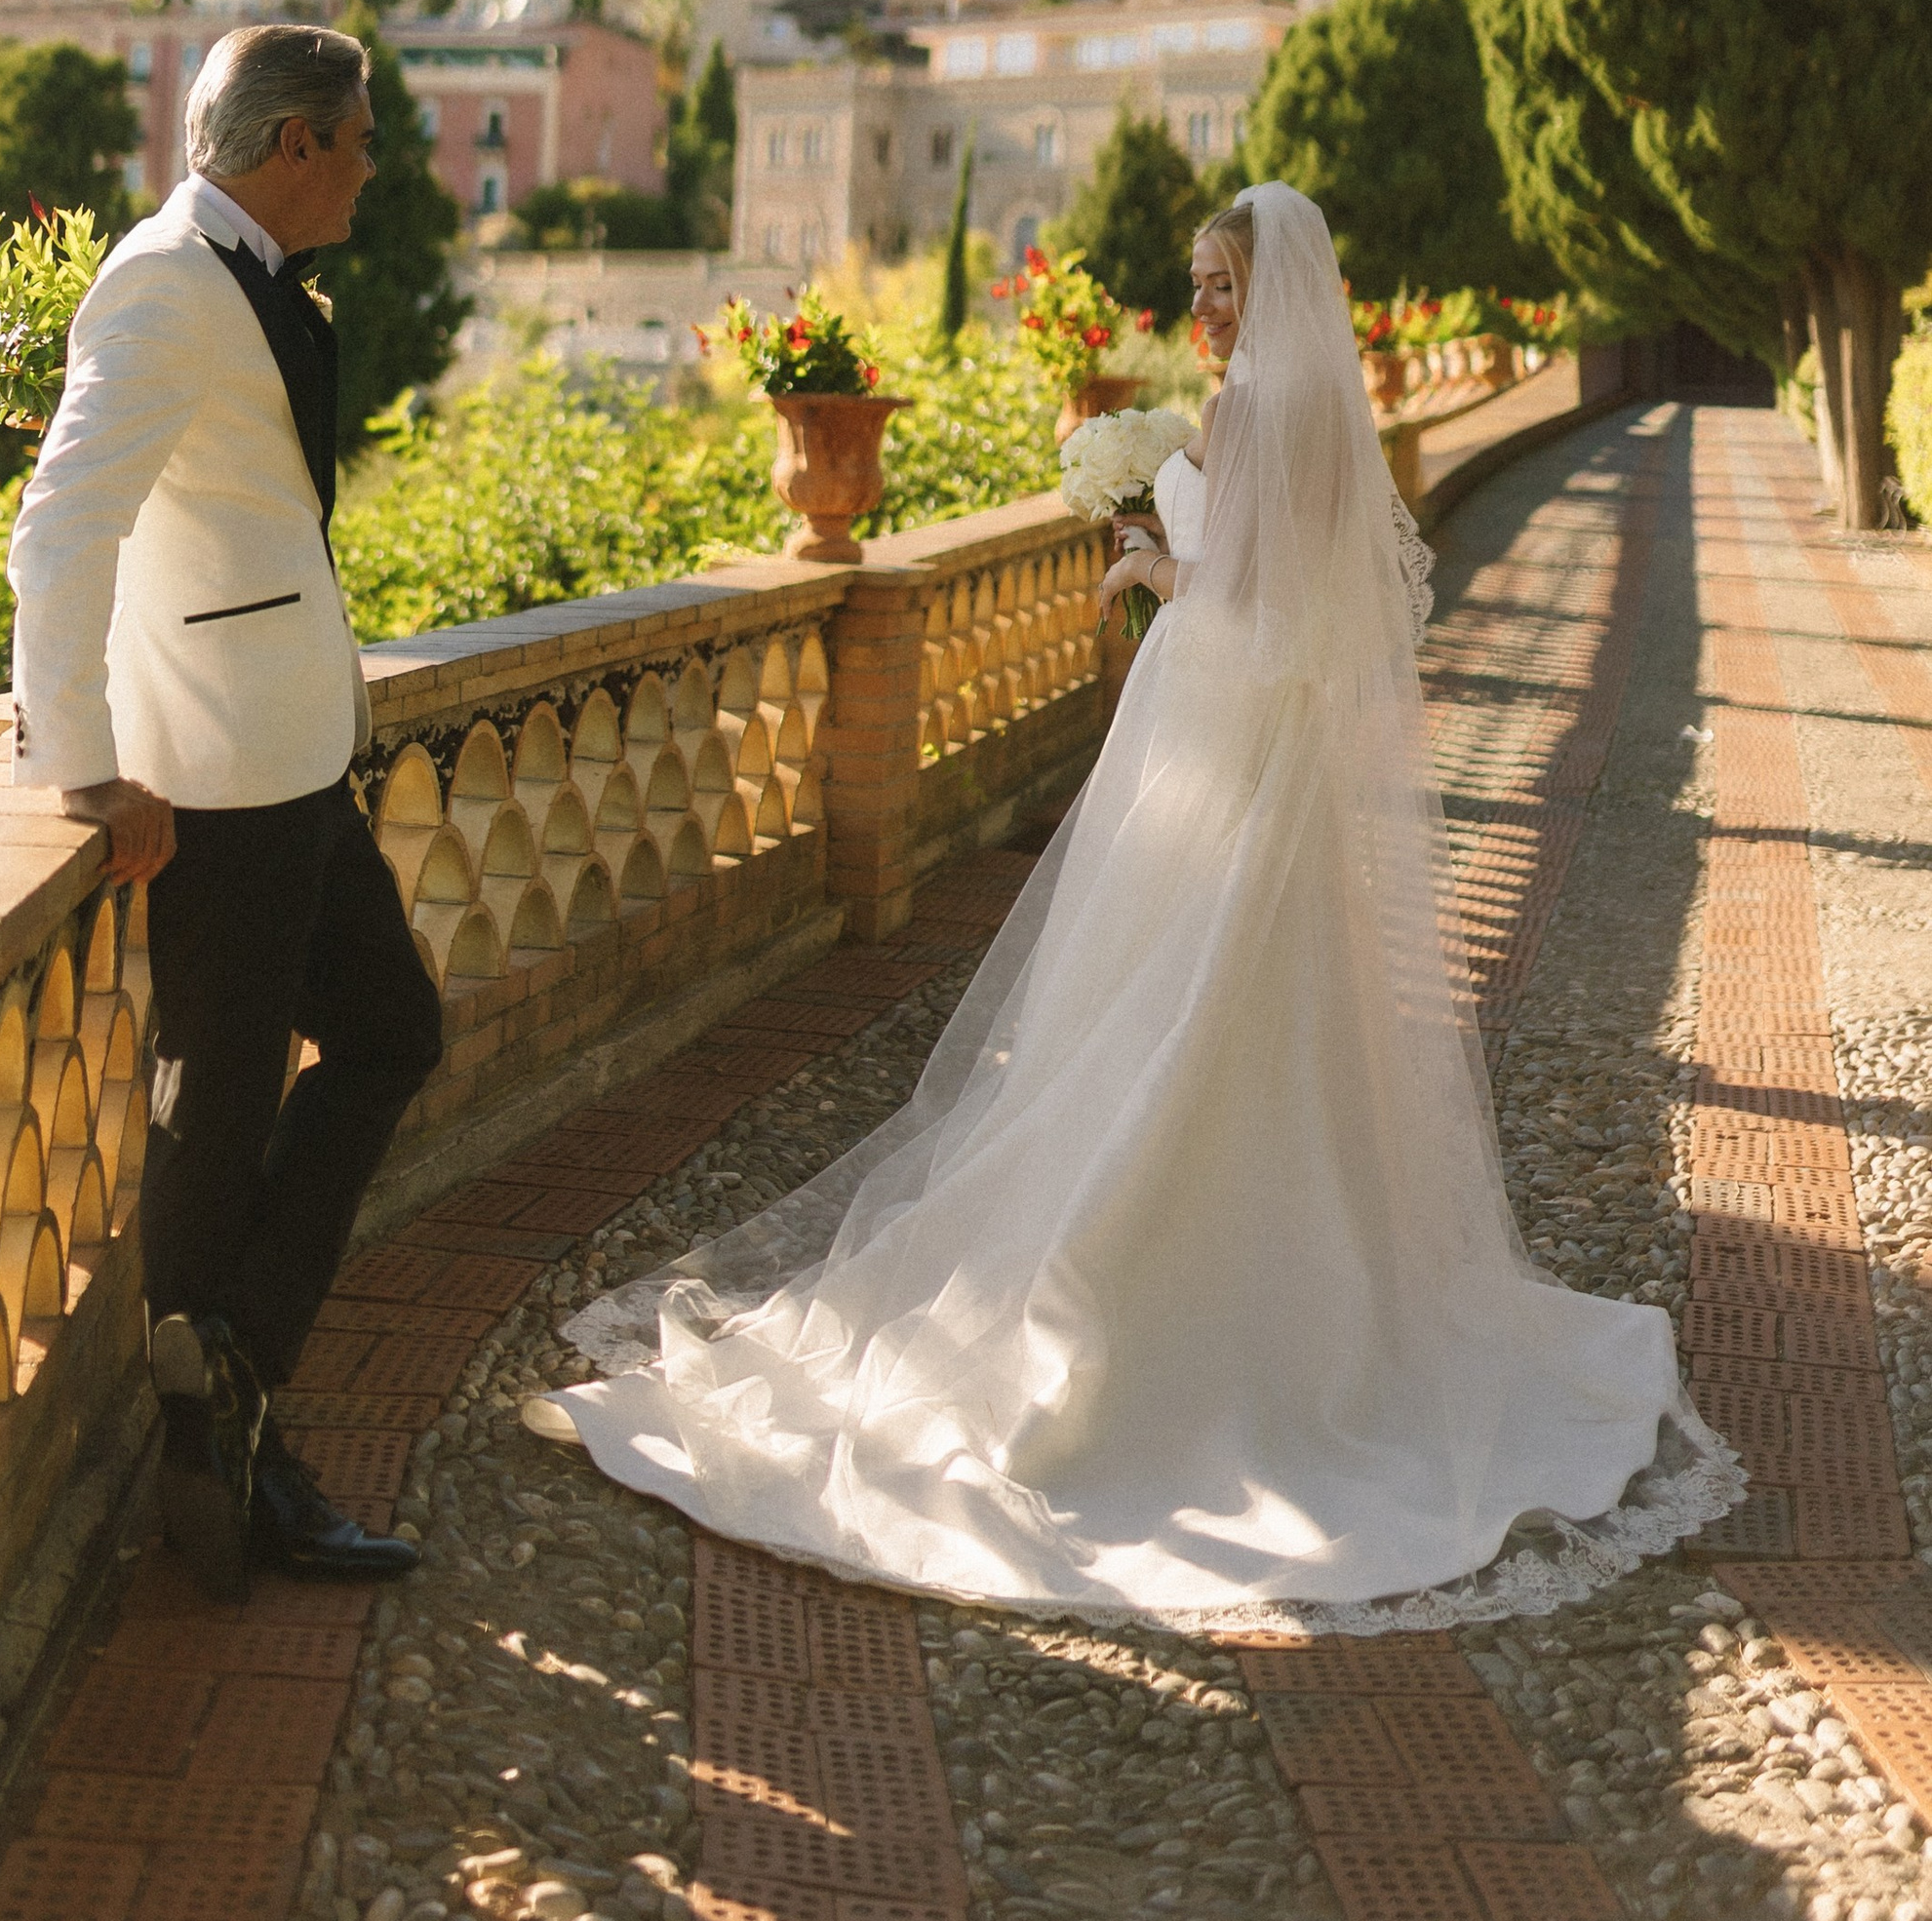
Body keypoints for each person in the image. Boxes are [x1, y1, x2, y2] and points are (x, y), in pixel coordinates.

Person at [527, 182, 1739, 1631]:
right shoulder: (1323, 417)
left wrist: (1158, 561)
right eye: (1202, 282)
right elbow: (1330, 615)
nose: (1210, 306)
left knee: (1159, 1009)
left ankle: (1143, 1297)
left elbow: (1242, 609)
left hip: (1211, 738)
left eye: (1224, 281)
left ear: (1272, 283)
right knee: (1264, 1017)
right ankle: (1309, 1304)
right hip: (1269, 766)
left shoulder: (1241, 416)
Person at [10, 20, 441, 1600]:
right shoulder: (164, 282)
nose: (375, 165)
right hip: (213, 784)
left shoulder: (242, 276)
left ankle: (229, 1369)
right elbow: (60, 530)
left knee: (391, 1031)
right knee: (221, 1102)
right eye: (362, 136)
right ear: (294, 147)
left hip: (295, 762)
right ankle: (224, 1461)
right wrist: (89, 763)